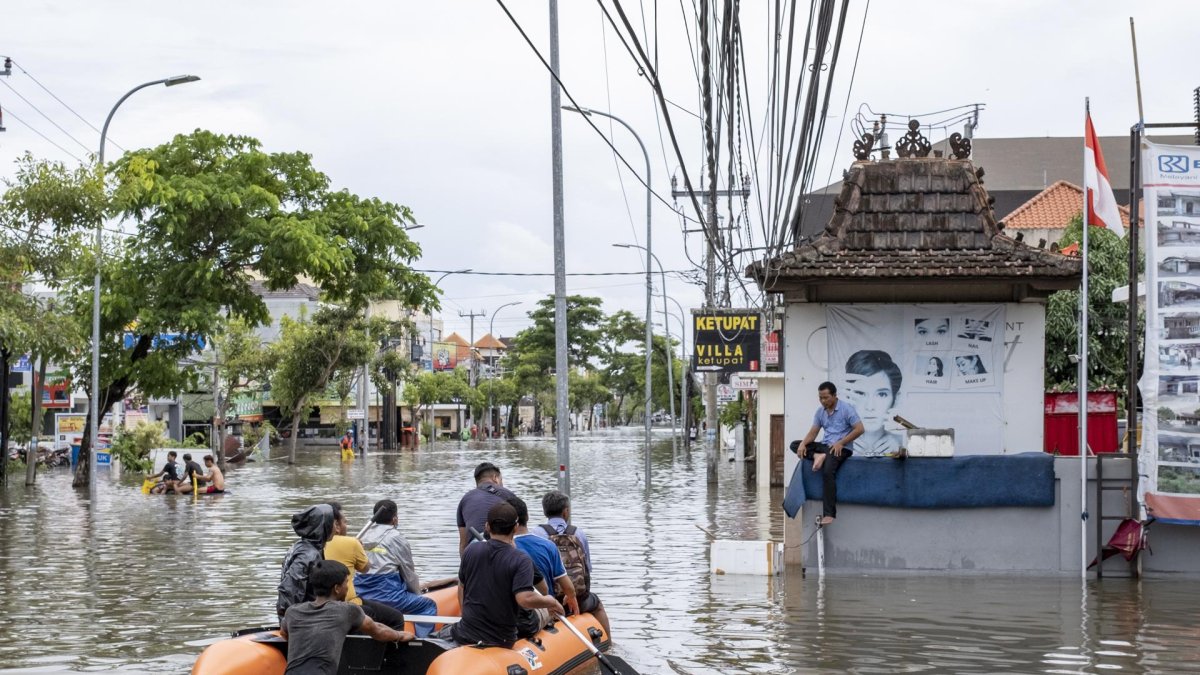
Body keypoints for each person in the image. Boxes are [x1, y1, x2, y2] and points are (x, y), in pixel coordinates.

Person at [442, 502, 564, 648]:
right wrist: (551, 601)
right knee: (545, 611)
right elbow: (525, 599)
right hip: (501, 638)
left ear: (487, 526)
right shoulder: (521, 559)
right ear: (515, 528)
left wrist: (466, 616)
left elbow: (462, 588)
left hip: (466, 632)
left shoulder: (471, 550)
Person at [279, 560, 413, 675]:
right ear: (337, 588)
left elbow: (283, 633)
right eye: (346, 583)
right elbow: (377, 630)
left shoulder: (292, 612)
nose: (347, 587)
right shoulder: (347, 610)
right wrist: (399, 635)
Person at [356, 499, 441, 636]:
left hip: (361, 593)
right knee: (428, 606)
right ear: (395, 519)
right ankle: (423, 642)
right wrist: (416, 593)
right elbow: (409, 574)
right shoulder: (396, 538)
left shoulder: (361, 537)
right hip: (387, 595)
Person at [533, 490, 610, 638]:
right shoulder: (579, 533)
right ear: (565, 511)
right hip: (578, 599)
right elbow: (587, 569)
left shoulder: (537, 534)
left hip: (549, 600)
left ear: (545, 511)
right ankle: (608, 645)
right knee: (598, 605)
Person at [323, 502, 408, 630]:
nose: (347, 526)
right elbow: (366, 568)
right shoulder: (351, 542)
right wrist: (359, 549)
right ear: (336, 526)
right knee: (394, 617)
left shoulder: (315, 544)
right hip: (349, 603)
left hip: (328, 603)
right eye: (345, 522)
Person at [791, 381, 865, 526]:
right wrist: (803, 444)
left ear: (835, 396)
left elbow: (860, 429)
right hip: (826, 447)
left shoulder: (846, 409)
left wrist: (841, 442)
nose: (823, 401)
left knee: (827, 472)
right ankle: (817, 456)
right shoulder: (820, 412)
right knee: (794, 444)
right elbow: (813, 433)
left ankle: (829, 514)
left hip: (841, 449)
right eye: (820, 398)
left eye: (826, 397)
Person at [510, 496, 579, 636]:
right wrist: (571, 598)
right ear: (527, 517)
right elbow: (568, 587)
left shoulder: (493, 549)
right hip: (540, 609)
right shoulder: (547, 545)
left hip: (507, 612)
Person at [277, 504, 335, 618]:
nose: (335, 527)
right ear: (324, 526)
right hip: (304, 619)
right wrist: (290, 623)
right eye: (333, 523)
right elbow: (289, 590)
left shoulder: (305, 546)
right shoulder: (308, 555)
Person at [843, 350, 904, 457]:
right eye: (860, 393)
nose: (870, 407)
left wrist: (905, 453)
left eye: (881, 395)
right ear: (848, 397)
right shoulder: (833, 443)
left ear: (896, 399)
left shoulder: (907, 444)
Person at [456, 462, 517, 555]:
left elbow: (463, 544)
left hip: (474, 552)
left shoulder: (465, 499)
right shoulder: (509, 495)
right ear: (495, 478)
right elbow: (519, 532)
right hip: (503, 552)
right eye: (501, 480)